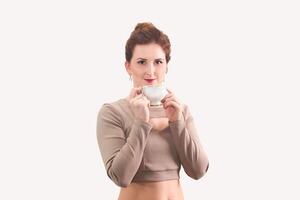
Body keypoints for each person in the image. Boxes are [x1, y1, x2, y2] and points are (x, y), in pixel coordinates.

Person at [96, 22, 209, 200]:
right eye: (141, 62)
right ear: (128, 67)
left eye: (158, 62)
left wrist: (177, 122)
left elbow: (198, 170)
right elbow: (121, 177)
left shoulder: (180, 110)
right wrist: (141, 122)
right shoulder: (113, 112)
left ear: (167, 65)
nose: (151, 71)